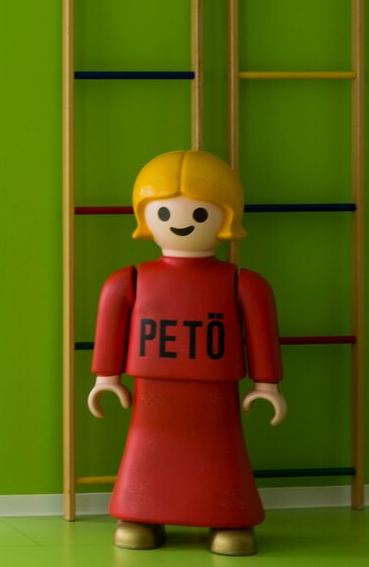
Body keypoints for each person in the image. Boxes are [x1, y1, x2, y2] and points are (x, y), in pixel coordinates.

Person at [89, 150, 285, 557]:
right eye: (164, 212)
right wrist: (106, 378)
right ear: (146, 217)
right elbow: (109, 328)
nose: (181, 222)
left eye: (200, 213)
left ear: (226, 216)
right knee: (147, 453)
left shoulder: (242, 283)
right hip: (153, 394)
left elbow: (262, 334)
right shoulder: (130, 280)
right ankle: (141, 516)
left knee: (220, 456)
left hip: (215, 396)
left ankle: (228, 521)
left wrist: (267, 385)